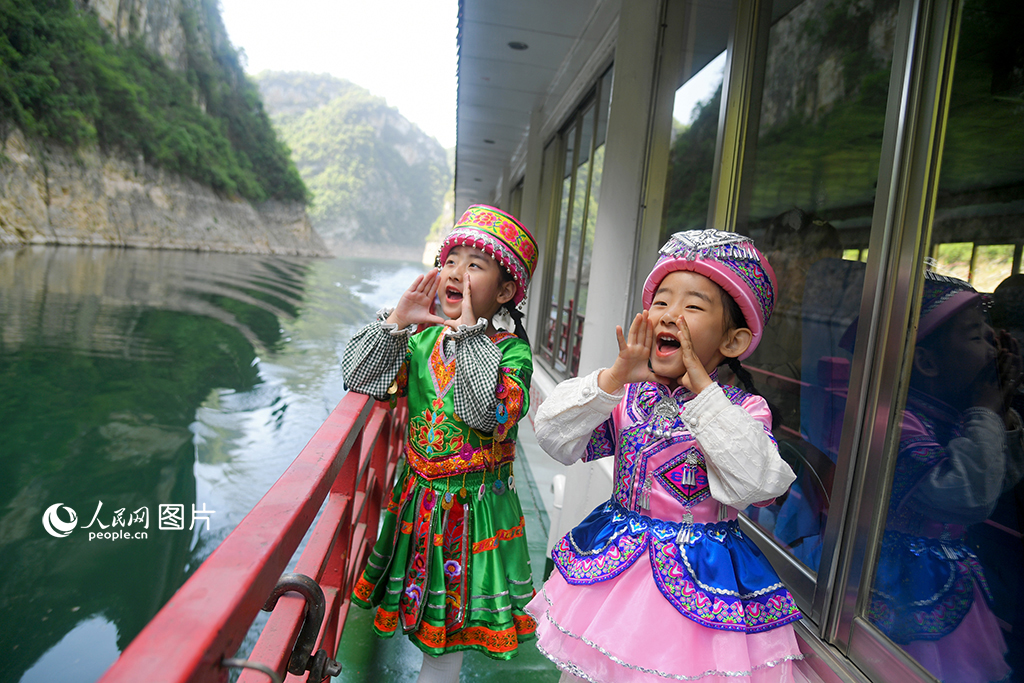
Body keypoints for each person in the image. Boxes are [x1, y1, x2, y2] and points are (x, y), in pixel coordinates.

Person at [527, 229, 804, 683]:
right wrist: (614, 378)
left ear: (732, 341)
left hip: (703, 586)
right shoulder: (627, 395)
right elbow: (555, 436)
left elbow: (758, 484)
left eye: (693, 306)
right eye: (661, 302)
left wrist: (705, 397)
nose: (670, 315)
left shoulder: (742, 410)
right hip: (610, 574)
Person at [342, 205, 540, 683]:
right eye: (451, 260)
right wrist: (396, 321)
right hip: (418, 500)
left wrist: (469, 333)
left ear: (506, 291)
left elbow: (479, 412)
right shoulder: (422, 341)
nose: (456, 272)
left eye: (476, 265)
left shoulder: (512, 353)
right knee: (427, 616)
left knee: (448, 632)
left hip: (473, 512)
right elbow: (359, 376)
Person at [868, 270, 1022, 683]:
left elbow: (997, 480)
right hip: (904, 580)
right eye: (975, 336)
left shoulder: (951, 413)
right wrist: (985, 410)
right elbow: (968, 496)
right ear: (928, 362)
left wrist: (996, 410)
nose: (993, 341)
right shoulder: (899, 425)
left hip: (949, 575)